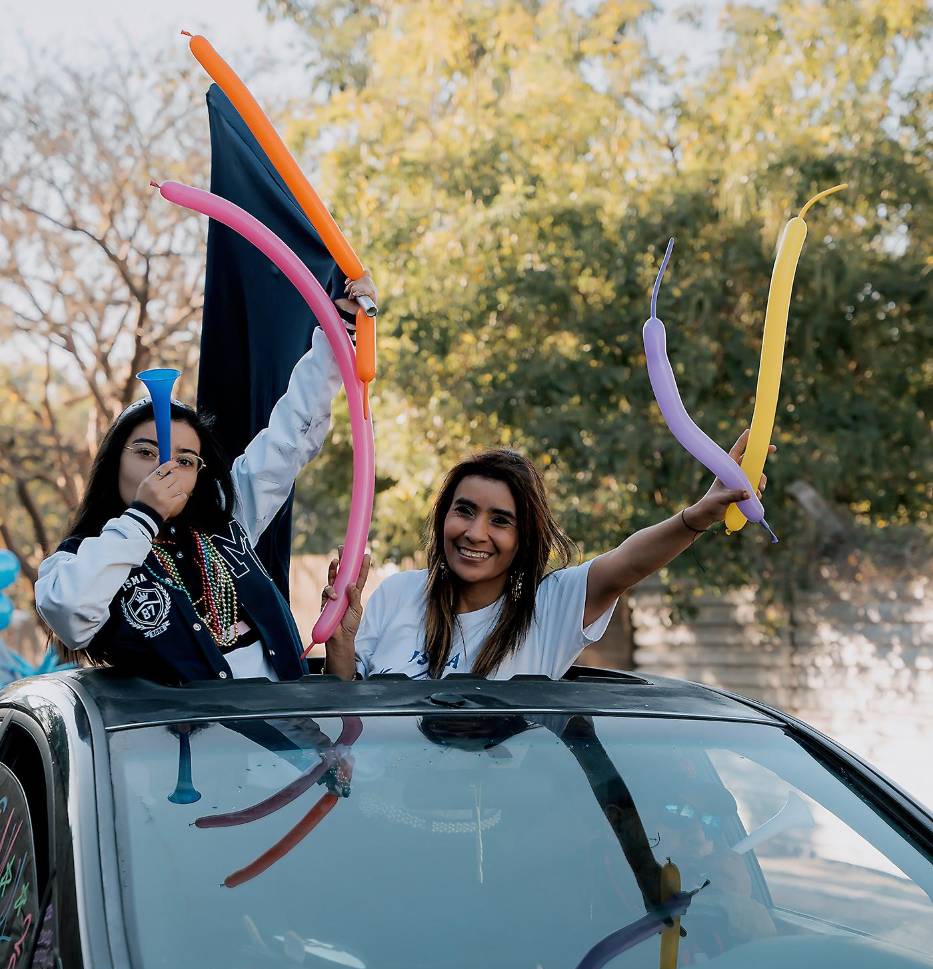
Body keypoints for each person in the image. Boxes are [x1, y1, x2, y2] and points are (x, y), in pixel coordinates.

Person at [36, 276, 376, 685]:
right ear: (113, 464)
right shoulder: (75, 561)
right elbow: (70, 613)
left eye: (185, 460)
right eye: (146, 453)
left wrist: (340, 330)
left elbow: (290, 438)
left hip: (290, 742)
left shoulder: (227, 515)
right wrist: (145, 515)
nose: (165, 469)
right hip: (189, 748)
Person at [324, 431, 770, 681]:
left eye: (500, 520)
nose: (475, 532)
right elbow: (346, 727)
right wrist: (340, 643)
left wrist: (700, 514)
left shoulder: (548, 608)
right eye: (464, 511)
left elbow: (627, 562)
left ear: (525, 539)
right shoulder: (399, 593)